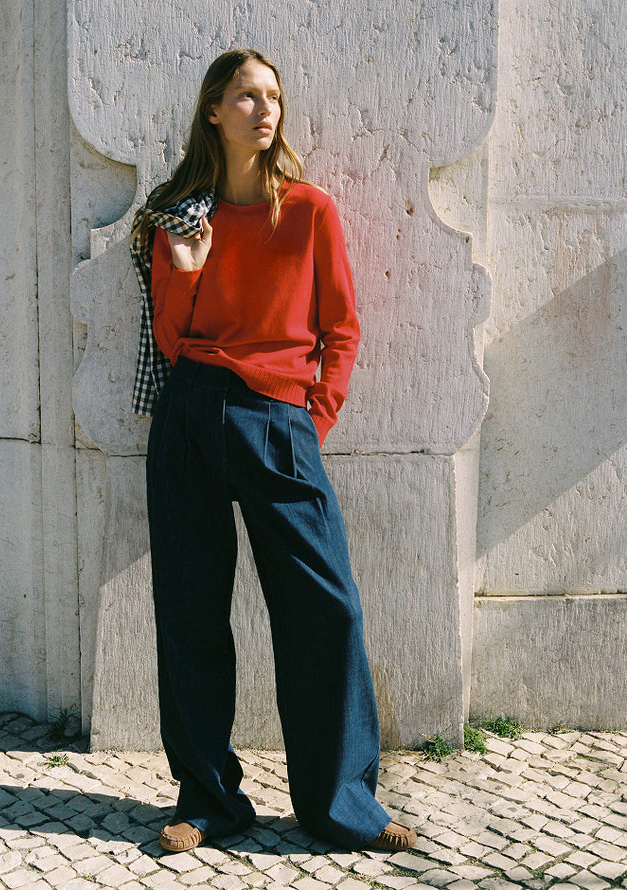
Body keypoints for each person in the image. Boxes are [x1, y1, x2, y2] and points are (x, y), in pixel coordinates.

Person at [130, 48, 417, 854]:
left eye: (275, 98)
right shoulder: (179, 215)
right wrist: (188, 271)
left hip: (278, 420)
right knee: (190, 610)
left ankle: (342, 806)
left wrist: (308, 421)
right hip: (189, 412)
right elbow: (174, 339)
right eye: (248, 97)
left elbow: (341, 330)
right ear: (213, 111)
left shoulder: (312, 212)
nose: (266, 110)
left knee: (327, 609)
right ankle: (210, 801)